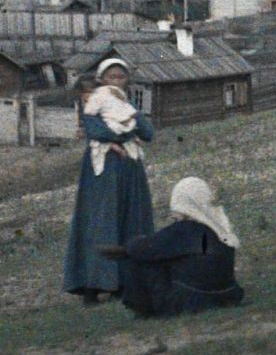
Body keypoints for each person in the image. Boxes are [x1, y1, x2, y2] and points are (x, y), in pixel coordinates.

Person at [63, 57, 155, 304]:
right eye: (111, 76)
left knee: (131, 219)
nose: (116, 81)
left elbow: (148, 133)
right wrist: (124, 132)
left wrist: (133, 118)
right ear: (102, 80)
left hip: (130, 168)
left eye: (120, 77)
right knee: (102, 221)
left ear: (126, 81)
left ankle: (124, 283)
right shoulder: (95, 102)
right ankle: (93, 283)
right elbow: (96, 130)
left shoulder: (128, 105)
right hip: (103, 170)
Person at [99, 175, 245, 317]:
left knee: (140, 258)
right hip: (226, 296)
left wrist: (130, 245)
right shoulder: (220, 228)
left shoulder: (185, 229)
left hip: (195, 301)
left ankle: (142, 309)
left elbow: (144, 248)